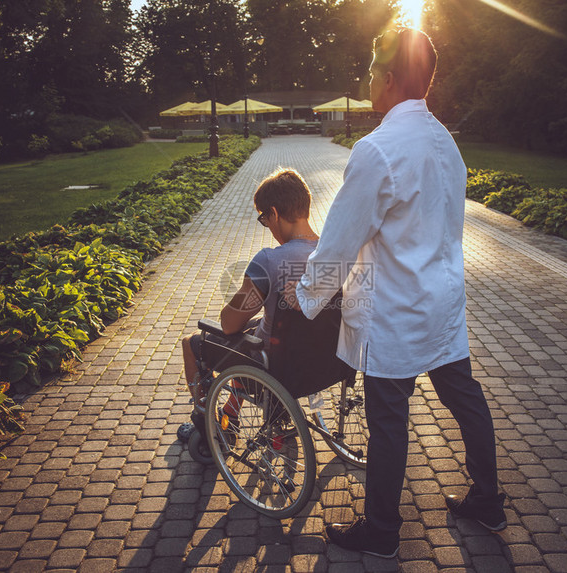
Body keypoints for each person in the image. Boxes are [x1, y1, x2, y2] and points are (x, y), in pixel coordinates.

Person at [285, 28, 506, 559]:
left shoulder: (377, 150)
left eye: (368, 70)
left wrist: (304, 297)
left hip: (395, 311)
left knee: (388, 420)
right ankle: (488, 500)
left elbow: (340, 241)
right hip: (443, 302)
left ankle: (382, 531)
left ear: (386, 80)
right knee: (465, 398)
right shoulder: (445, 143)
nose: (364, 79)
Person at [181, 168, 319, 431]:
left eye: (264, 219)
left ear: (275, 213)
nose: (267, 227)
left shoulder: (269, 261)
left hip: (274, 365)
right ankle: (230, 412)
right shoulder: (331, 254)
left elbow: (229, 325)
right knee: (252, 332)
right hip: (319, 361)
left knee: (193, 343)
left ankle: (206, 423)